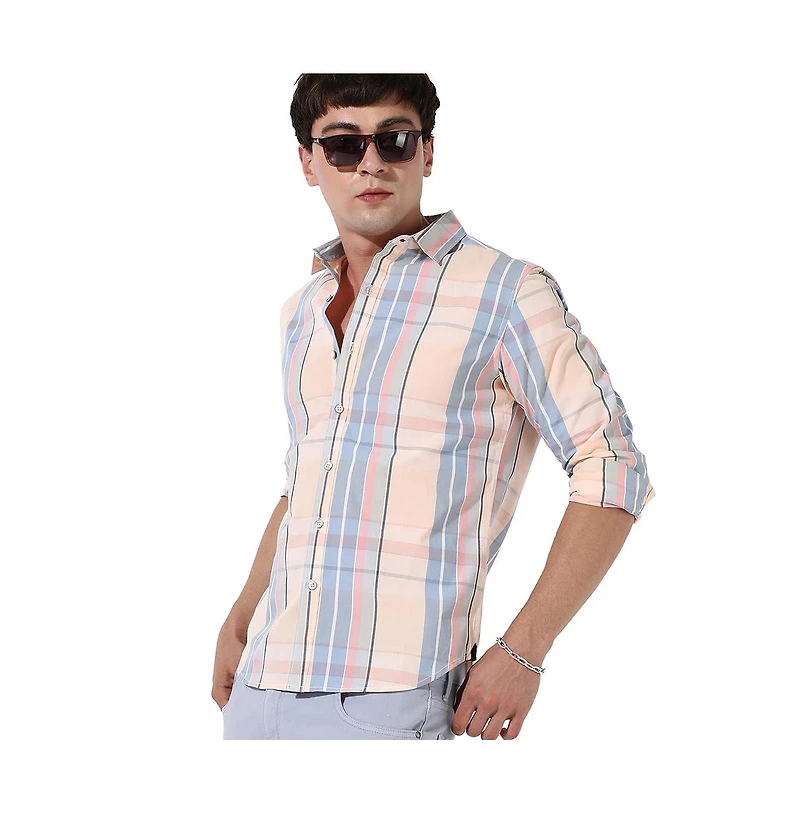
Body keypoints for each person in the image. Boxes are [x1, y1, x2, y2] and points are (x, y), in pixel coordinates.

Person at [212, 73, 656, 740]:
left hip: (390, 697)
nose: (370, 163)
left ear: (426, 152)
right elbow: (304, 484)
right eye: (343, 145)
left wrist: (525, 649)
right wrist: (241, 614)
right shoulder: (302, 311)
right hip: (259, 684)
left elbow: (612, 463)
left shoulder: (506, 292)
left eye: (393, 139)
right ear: (308, 161)